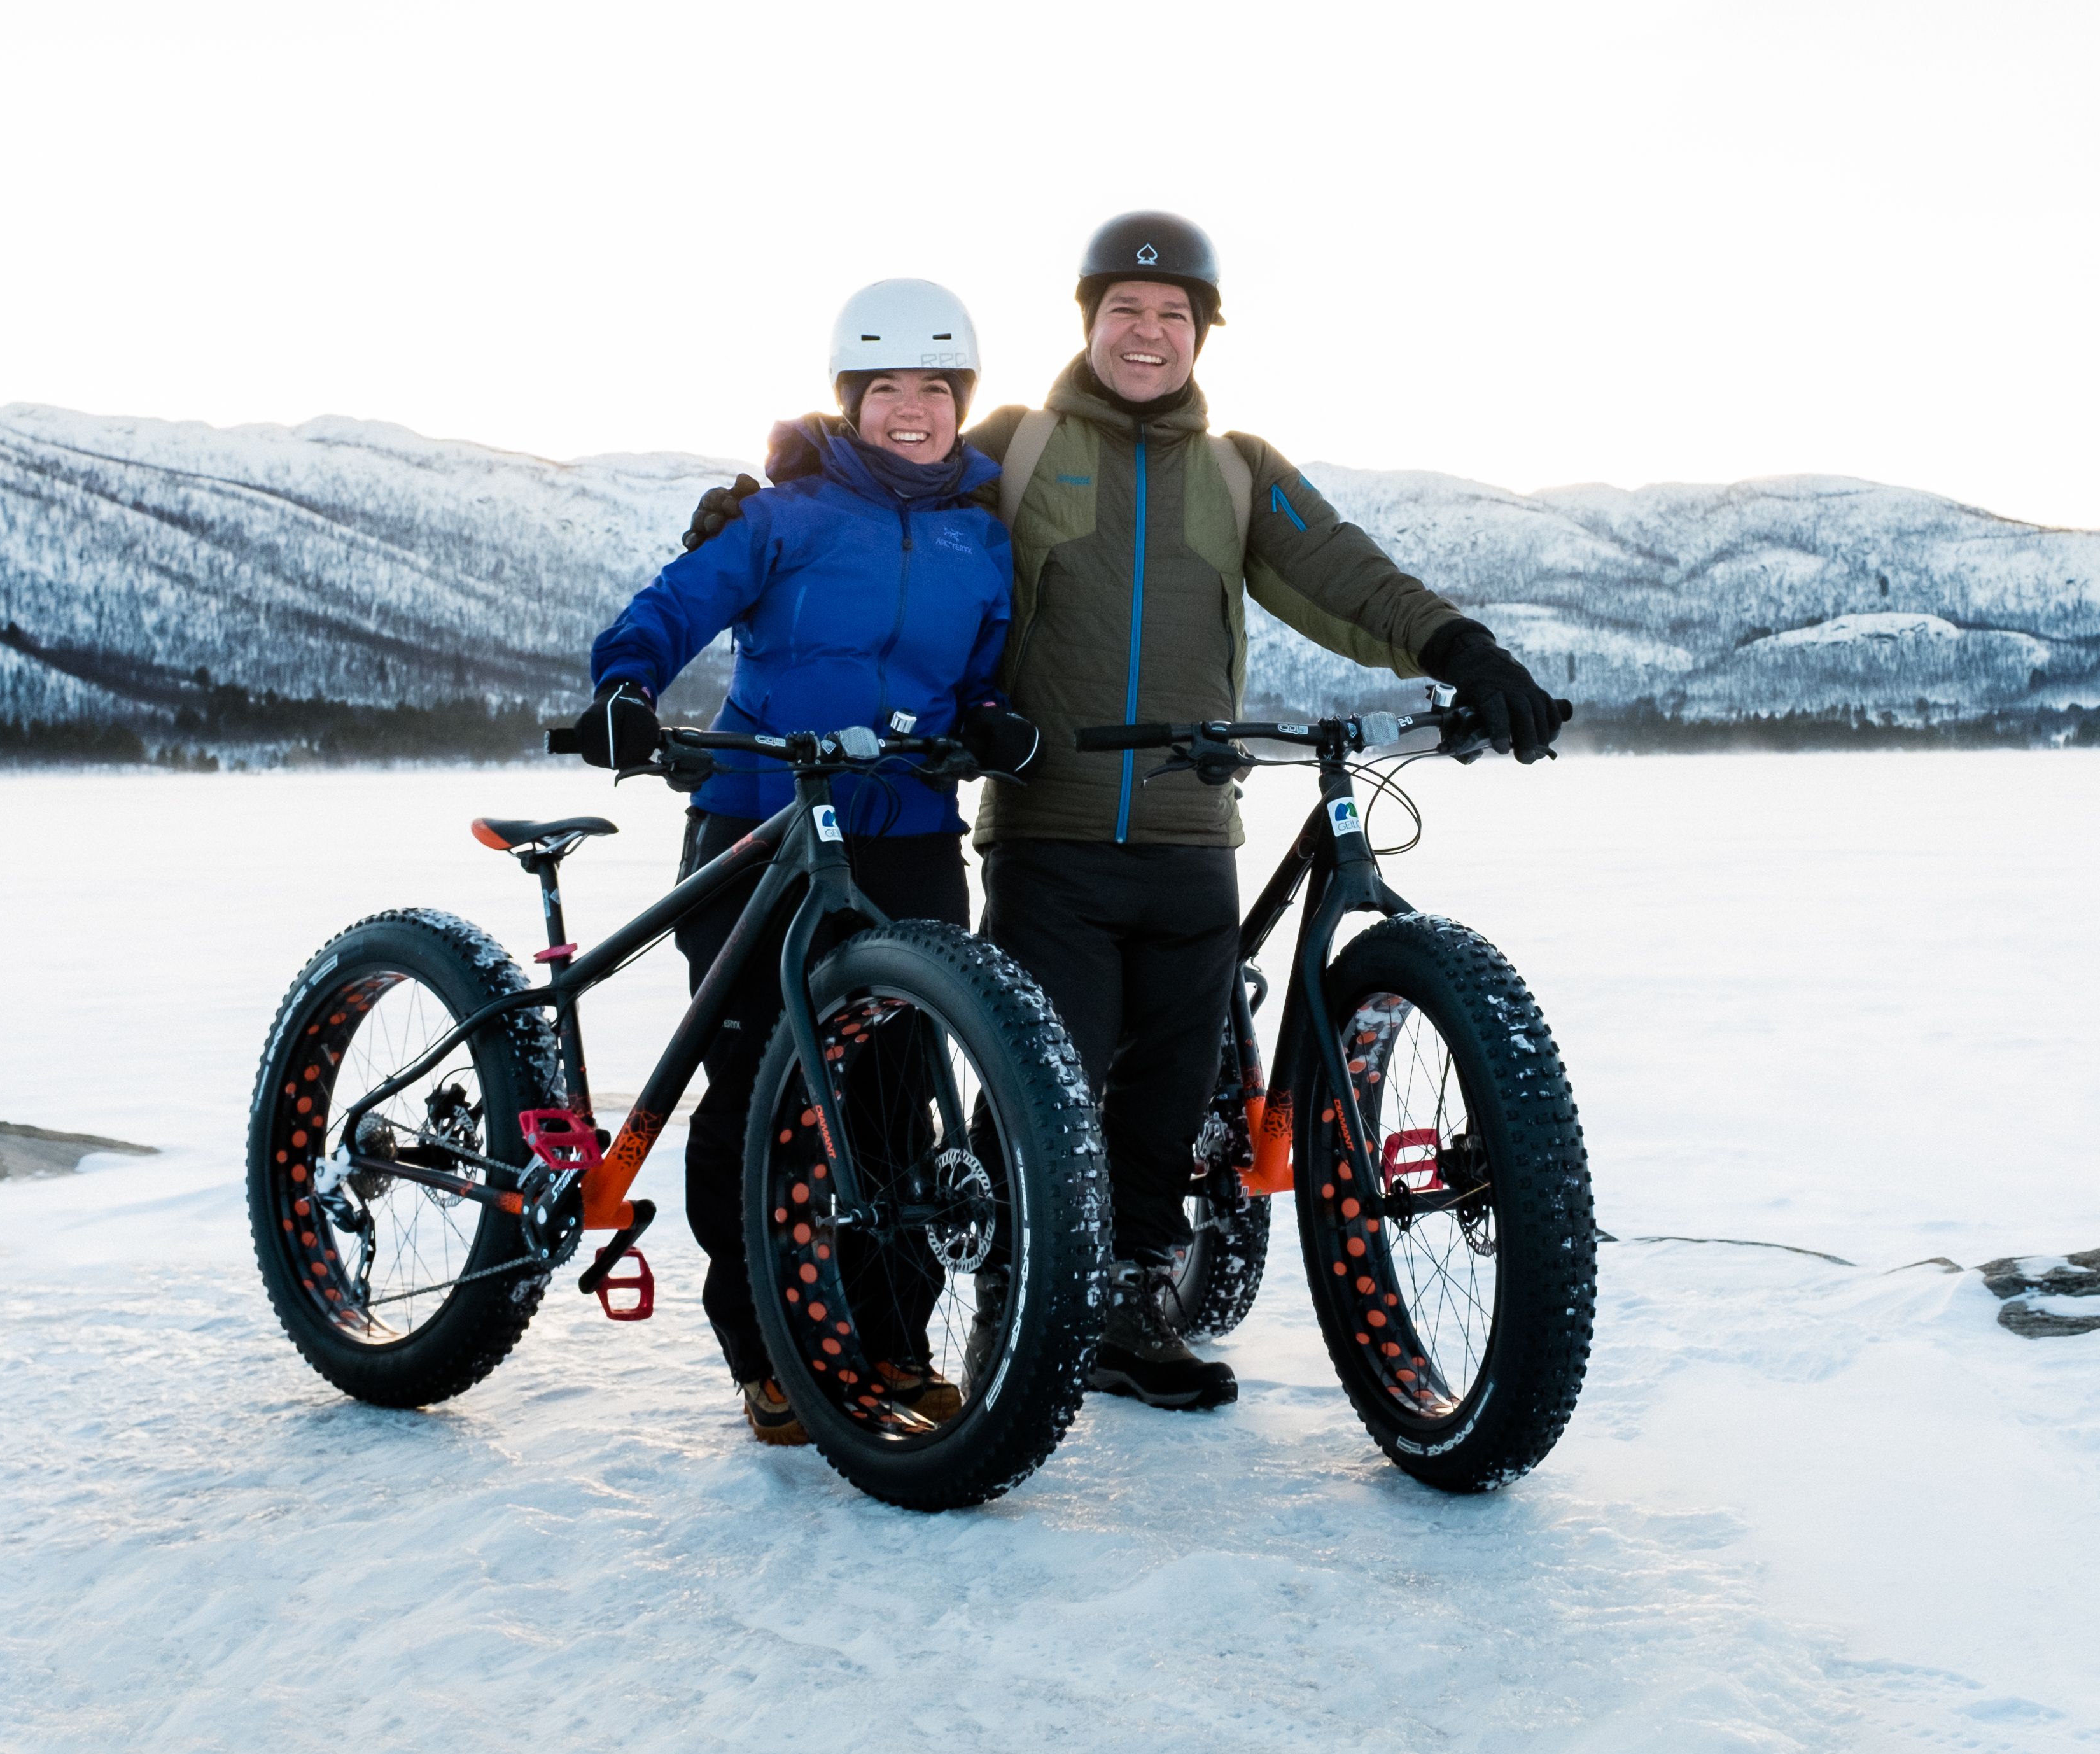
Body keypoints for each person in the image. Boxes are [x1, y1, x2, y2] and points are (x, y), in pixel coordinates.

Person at [689, 215, 1563, 1411]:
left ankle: (1133, 1298)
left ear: (1202, 332)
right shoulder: (1018, 445)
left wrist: (1464, 647)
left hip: (1193, 833)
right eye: (1123, 313)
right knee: (1047, 1078)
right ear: (1089, 323)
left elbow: (1345, 574)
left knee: (1168, 1086)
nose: (1146, 334)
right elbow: (893, 491)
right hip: (1049, 829)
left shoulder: (1241, 468)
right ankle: (1019, 1293)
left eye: (1171, 315)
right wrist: (776, 478)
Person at [573, 278, 1044, 1446]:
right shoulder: (782, 516)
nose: (912, 411)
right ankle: (767, 1346)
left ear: (961, 403)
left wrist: (990, 716)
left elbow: (981, 668)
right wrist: (626, 685)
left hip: (911, 837)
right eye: (887, 389)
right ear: (852, 399)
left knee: (895, 1108)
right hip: (760, 825)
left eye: (935, 390)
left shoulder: (981, 537)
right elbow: (675, 606)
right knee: (756, 1096)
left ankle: (891, 1340)